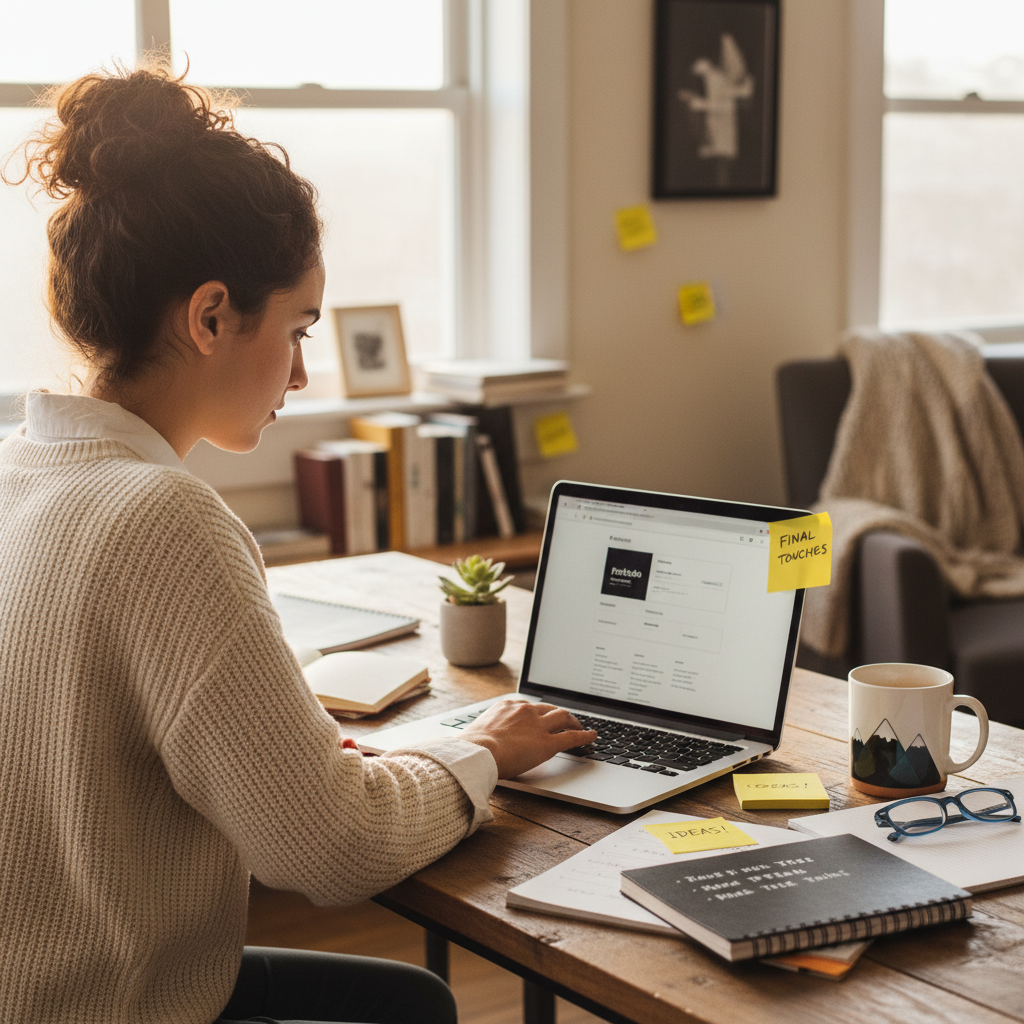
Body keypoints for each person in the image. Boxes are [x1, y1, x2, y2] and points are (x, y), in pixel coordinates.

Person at [0, 64, 595, 1024]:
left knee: (407, 1000)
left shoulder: (19, 465)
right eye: (298, 328)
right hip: (105, 1003)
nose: (306, 373)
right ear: (208, 316)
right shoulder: (160, 520)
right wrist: (482, 750)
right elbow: (328, 847)